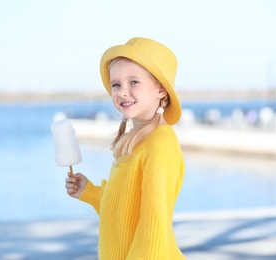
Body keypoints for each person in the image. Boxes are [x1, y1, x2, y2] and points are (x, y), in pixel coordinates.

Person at [65, 37, 186, 259]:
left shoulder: (161, 145)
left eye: (134, 82)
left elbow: (153, 225)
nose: (122, 92)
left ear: (161, 89)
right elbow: (123, 211)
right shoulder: (136, 142)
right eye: (116, 84)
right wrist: (90, 192)